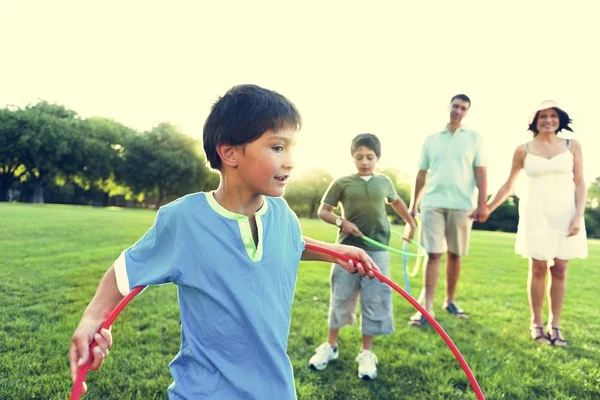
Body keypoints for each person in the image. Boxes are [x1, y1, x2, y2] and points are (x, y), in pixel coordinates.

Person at [69, 84, 381, 399]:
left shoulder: (282, 213)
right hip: (203, 392)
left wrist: (334, 251)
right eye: (277, 147)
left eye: (292, 147)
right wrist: (93, 319)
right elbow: (124, 272)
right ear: (229, 152)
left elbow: (290, 244)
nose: (290, 161)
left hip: (275, 390)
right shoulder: (184, 220)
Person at [308, 133, 416, 380]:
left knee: (374, 299)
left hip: (378, 250)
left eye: (369, 157)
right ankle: (330, 346)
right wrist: (341, 222)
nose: (365, 162)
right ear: (352, 157)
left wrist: (410, 224)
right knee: (341, 297)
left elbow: (397, 203)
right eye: (359, 157)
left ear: (377, 157)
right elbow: (323, 211)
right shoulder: (342, 182)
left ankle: (366, 352)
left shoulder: (384, 182)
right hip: (346, 250)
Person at [485, 100, 587, 346]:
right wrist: (487, 208)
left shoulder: (573, 146)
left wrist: (578, 215)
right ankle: (537, 324)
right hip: (535, 214)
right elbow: (509, 184)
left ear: (560, 119)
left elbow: (581, 182)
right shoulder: (523, 149)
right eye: (543, 116)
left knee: (560, 268)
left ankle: (556, 325)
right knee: (539, 267)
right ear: (535, 120)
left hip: (566, 213)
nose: (548, 120)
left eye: (553, 116)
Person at [407, 94, 488, 326]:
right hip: (432, 202)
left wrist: (482, 204)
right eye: (455, 106)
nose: (458, 111)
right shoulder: (431, 139)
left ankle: (450, 301)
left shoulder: (475, 139)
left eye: (463, 108)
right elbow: (421, 174)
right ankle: (426, 307)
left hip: (462, 205)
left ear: (467, 112)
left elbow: (481, 172)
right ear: (449, 107)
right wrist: (414, 205)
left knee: (455, 254)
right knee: (433, 254)